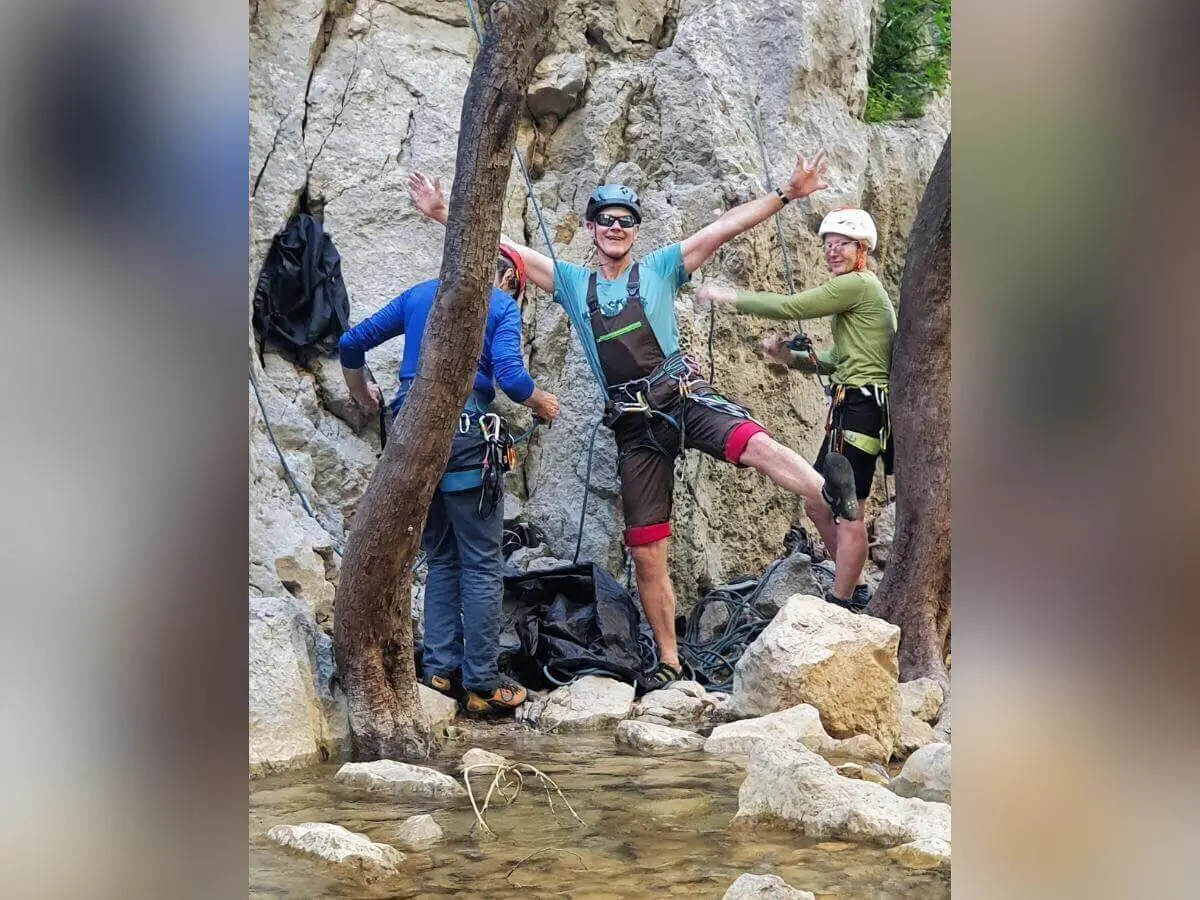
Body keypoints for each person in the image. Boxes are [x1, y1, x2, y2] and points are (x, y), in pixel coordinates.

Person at [407, 152, 861, 688]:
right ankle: (670, 663)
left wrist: (787, 195)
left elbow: (724, 227)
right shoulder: (576, 284)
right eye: (606, 220)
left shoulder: (662, 267)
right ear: (593, 230)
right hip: (633, 424)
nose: (616, 228)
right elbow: (508, 248)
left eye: (625, 221)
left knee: (759, 447)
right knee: (646, 549)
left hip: (682, 394)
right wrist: (442, 214)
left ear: (636, 231)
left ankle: (829, 501)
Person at [338, 249, 560, 715]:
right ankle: (481, 683)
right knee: (480, 562)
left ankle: (438, 672)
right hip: (464, 436)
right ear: (507, 277)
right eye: (516, 290)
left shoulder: (419, 295)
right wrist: (540, 402)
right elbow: (512, 378)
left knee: (441, 557)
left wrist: (362, 394)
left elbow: (350, 343)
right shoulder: (497, 304)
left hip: (408, 436)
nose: (512, 299)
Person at [694, 208, 896, 611]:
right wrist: (790, 357)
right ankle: (849, 582)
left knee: (848, 510)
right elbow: (838, 358)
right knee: (818, 499)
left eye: (842, 244)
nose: (832, 251)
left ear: (862, 251)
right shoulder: (858, 297)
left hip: (861, 408)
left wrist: (729, 297)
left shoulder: (859, 285)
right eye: (828, 244)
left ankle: (842, 602)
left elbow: (792, 307)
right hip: (847, 407)